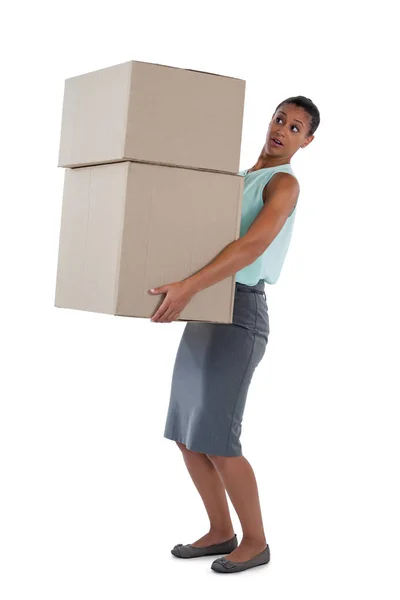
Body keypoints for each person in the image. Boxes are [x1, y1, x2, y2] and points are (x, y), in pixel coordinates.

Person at [149, 96, 320, 573]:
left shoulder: (283, 182)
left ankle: (256, 542)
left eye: (296, 127)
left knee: (220, 439)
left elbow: (251, 245)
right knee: (188, 434)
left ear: (307, 141)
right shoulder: (236, 180)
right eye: (279, 119)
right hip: (207, 308)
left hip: (239, 312)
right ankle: (221, 531)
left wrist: (188, 287)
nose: (283, 129)